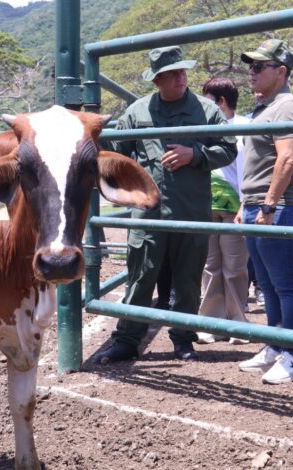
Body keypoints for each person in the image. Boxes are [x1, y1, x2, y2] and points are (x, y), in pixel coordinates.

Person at [93, 46, 237, 364]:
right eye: (173, 73)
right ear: (158, 79)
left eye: (183, 71)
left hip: (191, 211)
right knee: (141, 275)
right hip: (147, 212)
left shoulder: (207, 111)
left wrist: (195, 155)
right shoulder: (137, 112)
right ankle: (127, 340)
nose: (181, 78)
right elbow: (118, 153)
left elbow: (229, 149)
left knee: (187, 279)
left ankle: (183, 338)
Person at [234, 39, 293, 384]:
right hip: (259, 205)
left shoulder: (286, 106)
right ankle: (276, 345)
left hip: (279, 206)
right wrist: (246, 204)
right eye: (250, 66)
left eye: (258, 67)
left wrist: (267, 204)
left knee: (286, 285)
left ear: (281, 72)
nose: (250, 73)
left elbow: (287, 158)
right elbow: (259, 163)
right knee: (268, 283)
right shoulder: (265, 107)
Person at [197, 77, 251, 345]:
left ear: (220, 102)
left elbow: (248, 170)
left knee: (235, 267)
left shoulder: (243, 127)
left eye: (207, 99)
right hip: (208, 206)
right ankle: (210, 323)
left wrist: (245, 203)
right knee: (209, 267)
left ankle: (238, 325)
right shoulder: (205, 128)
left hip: (234, 209)